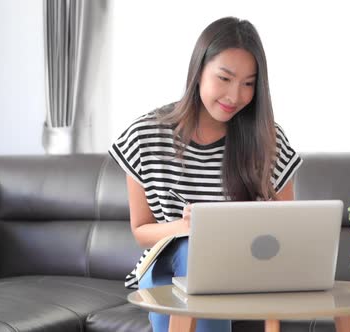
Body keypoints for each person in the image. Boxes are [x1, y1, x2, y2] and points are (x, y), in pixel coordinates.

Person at [109, 16, 302, 332]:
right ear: (198, 71)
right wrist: (188, 227)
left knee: (201, 256)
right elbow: (141, 229)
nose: (234, 96)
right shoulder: (145, 135)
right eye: (224, 78)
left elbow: (289, 229)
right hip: (166, 265)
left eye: (248, 84)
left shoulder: (268, 140)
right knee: (191, 248)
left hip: (243, 268)